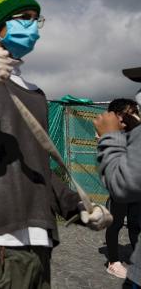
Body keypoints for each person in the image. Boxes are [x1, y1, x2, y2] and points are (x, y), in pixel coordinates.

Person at [0, 0, 112, 288]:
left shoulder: (35, 94)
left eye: (36, 20)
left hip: (39, 241)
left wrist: (78, 206)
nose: (33, 27)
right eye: (25, 18)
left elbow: (39, 169)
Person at [95, 81, 141, 287]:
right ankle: (113, 261)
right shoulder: (110, 133)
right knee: (115, 224)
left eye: (135, 112)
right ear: (117, 115)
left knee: (135, 223)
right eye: (129, 113)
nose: (134, 116)